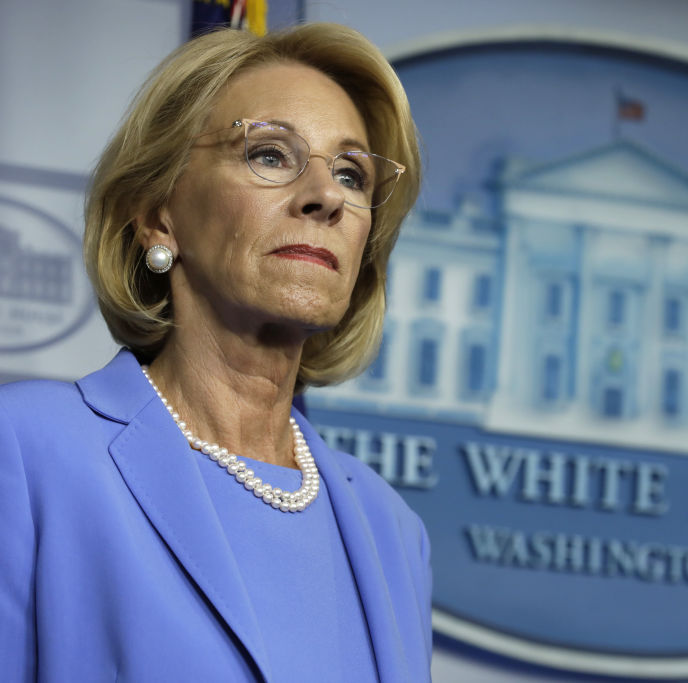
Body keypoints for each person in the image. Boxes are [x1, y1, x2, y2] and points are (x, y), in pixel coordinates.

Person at [0, 23, 431, 682]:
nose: (326, 197)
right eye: (269, 154)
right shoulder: (27, 451)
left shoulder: (393, 531)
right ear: (157, 214)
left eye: (350, 172)